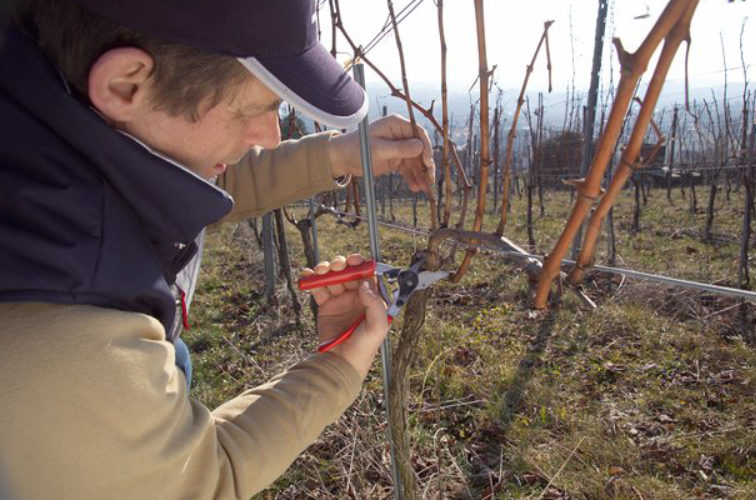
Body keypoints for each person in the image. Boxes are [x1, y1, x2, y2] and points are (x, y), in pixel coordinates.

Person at [0, 0, 435, 498]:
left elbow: (183, 176)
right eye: (255, 109)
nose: (270, 136)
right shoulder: (72, 333)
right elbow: (197, 482)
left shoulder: (38, 106)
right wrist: (338, 367)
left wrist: (337, 154)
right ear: (125, 85)